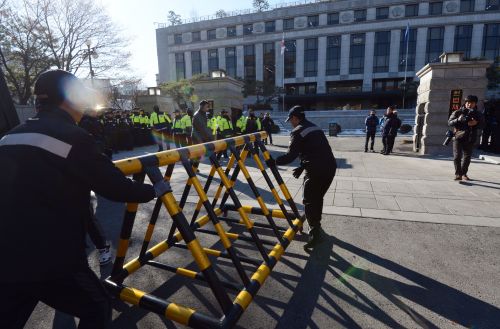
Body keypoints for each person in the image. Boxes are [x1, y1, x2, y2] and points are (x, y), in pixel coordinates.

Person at [0, 69, 158, 329]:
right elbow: (115, 187)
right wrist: (153, 190)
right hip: (51, 257)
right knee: (97, 307)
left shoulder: (9, 137)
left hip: (7, 255)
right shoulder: (72, 137)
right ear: (68, 98)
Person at [271, 105, 337, 250]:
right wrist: (303, 166)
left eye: (291, 120)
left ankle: (314, 233)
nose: (290, 123)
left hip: (315, 170)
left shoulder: (297, 131)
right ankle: (316, 225)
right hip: (330, 167)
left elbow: (290, 156)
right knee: (317, 197)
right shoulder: (315, 127)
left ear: (295, 118)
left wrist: (274, 161)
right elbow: (317, 149)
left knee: (308, 200)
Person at [448, 95, 485, 181]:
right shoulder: (458, 112)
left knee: (467, 157)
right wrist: (458, 120)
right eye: (468, 102)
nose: (469, 104)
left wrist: (476, 123)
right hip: (458, 137)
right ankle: (458, 174)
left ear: (475, 104)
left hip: (470, 138)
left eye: (471, 103)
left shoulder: (478, 114)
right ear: (465, 103)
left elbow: (483, 125)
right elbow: (449, 122)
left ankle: (464, 173)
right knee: (457, 156)